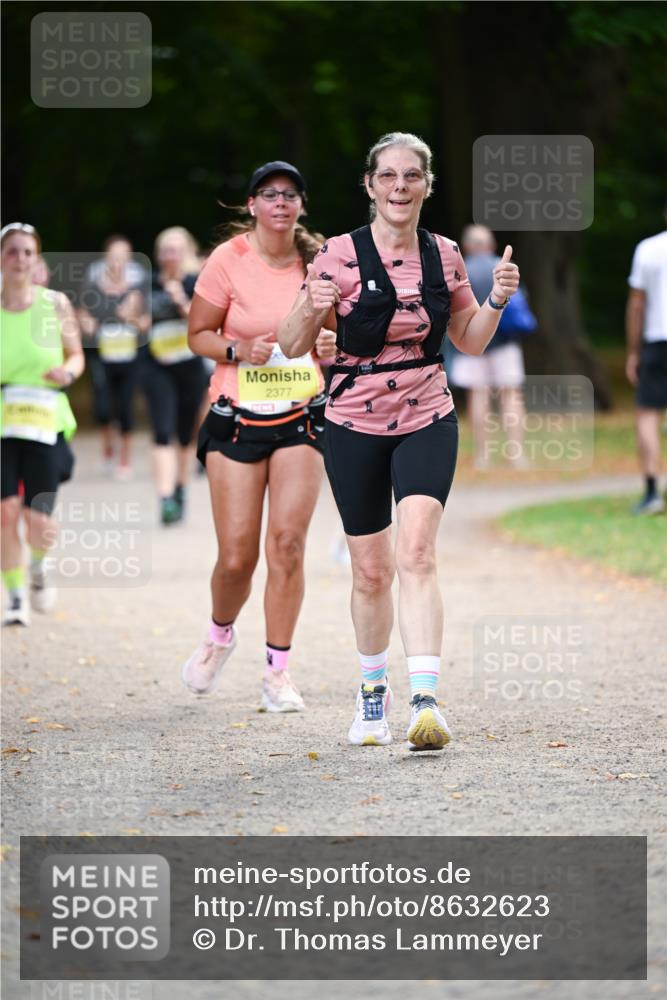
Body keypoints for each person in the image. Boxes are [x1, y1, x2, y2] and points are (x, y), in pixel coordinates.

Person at [278, 132, 519, 750]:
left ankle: (425, 701)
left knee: (416, 552)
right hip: (353, 420)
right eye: (388, 176)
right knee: (370, 571)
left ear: (427, 186)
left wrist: (495, 299)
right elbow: (291, 344)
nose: (400, 187)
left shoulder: (444, 255)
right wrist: (313, 302)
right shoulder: (336, 254)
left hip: (426, 412)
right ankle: (372, 693)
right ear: (370, 185)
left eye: (412, 176)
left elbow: (469, 339)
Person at [182, 161, 337, 712]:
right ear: (251, 205)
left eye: (290, 194)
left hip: (300, 416)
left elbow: (339, 333)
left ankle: (278, 673)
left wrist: (331, 347)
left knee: (288, 547)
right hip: (238, 417)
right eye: (269, 194)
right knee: (236, 558)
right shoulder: (228, 261)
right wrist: (235, 350)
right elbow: (196, 333)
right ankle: (219, 635)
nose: (280, 202)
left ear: (301, 206)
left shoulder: (320, 262)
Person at [1, 223, 84, 626]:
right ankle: (14, 596)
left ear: (37, 259)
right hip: (2, 420)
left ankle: (38, 567)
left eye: (27, 252)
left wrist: (67, 374)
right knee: (5, 512)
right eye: (12, 251)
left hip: (44, 417)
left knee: (40, 517)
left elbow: (76, 356)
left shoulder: (54, 304)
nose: (19, 259)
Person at [449, 224, 534, 469]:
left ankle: (482, 456)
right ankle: (517, 455)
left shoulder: (460, 270)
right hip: (505, 342)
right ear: (491, 244)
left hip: (469, 343)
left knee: (478, 395)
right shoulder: (504, 268)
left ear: (466, 246)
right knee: (511, 395)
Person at [140, 227, 208, 524]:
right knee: (161, 430)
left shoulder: (198, 282)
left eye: (176, 250)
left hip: (190, 366)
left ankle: (180, 487)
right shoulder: (149, 283)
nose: (170, 255)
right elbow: (136, 321)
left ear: (187, 252)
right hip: (156, 365)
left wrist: (180, 297)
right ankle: (165, 496)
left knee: (185, 434)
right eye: (166, 250)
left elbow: (201, 319)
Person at [77, 235, 147, 479]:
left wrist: (133, 318)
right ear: (106, 258)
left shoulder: (138, 289)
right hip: (102, 357)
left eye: (123, 257)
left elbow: (147, 324)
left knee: (126, 406)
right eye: (113, 257)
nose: (117, 262)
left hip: (130, 357)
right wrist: (89, 326)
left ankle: (124, 459)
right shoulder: (93, 287)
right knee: (104, 407)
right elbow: (81, 315)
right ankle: (108, 448)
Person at [626, 208, 667, 515]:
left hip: (657, 339)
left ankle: (653, 491)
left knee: (648, 416)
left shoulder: (648, 249)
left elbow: (637, 305)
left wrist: (632, 352)